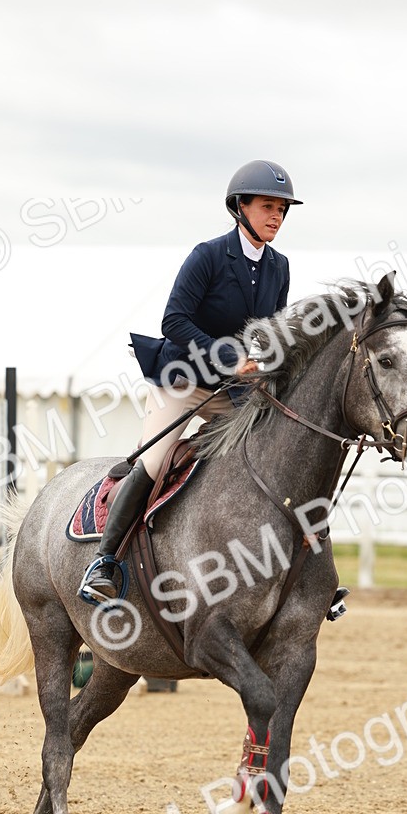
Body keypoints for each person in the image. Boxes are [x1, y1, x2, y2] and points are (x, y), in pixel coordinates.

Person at [79, 159, 302, 603]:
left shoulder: (280, 267)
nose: (276, 215)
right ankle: (103, 563)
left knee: (279, 453)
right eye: (267, 206)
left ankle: (297, 570)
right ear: (240, 207)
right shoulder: (208, 255)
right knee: (158, 460)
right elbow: (173, 321)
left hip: (233, 388)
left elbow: (270, 331)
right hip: (182, 380)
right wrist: (227, 354)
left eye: (282, 208)